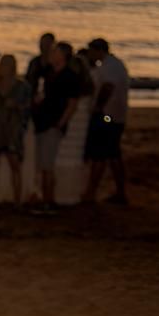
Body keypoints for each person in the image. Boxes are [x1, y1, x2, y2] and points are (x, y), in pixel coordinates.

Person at [82, 38, 130, 204]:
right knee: (111, 153)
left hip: (108, 116)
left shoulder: (110, 66)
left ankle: (92, 192)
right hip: (114, 115)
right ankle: (119, 192)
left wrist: (98, 107)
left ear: (98, 50)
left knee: (101, 154)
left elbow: (108, 87)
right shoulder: (113, 65)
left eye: (91, 51)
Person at [32, 41, 80, 209]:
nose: (51, 55)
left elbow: (72, 104)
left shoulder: (70, 76)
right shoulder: (49, 73)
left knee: (47, 165)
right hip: (42, 122)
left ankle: (48, 201)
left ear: (63, 55)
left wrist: (60, 124)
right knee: (43, 165)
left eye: (55, 52)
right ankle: (45, 199)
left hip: (53, 124)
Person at [0, 54, 32, 204]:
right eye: (2, 65)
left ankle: (17, 199)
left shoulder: (22, 87)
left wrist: (16, 106)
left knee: (14, 162)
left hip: (12, 128)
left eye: (7, 65)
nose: (3, 68)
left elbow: (29, 107)